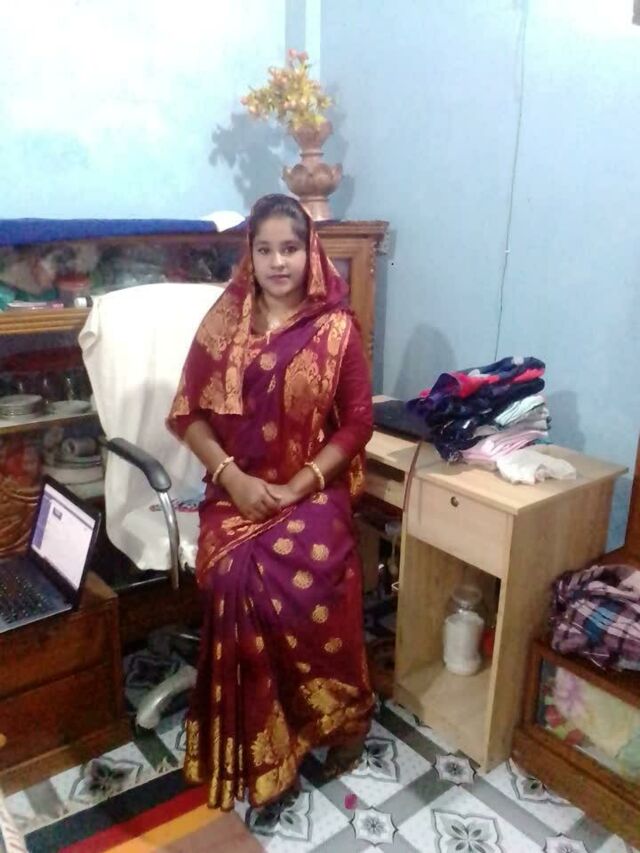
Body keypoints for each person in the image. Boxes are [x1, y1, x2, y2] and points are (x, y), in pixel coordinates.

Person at [167, 194, 375, 811]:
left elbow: (357, 424)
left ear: (310, 252)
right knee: (234, 576)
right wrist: (231, 478)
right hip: (235, 488)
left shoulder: (336, 329)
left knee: (312, 573)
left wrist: (299, 485)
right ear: (249, 256)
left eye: (290, 248)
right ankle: (262, 746)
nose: (278, 262)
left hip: (310, 488)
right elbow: (188, 416)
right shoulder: (223, 326)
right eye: (265, 249)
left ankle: (337, 719)